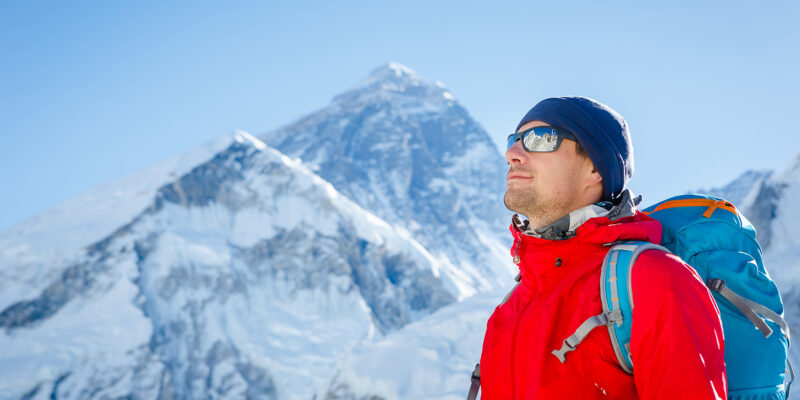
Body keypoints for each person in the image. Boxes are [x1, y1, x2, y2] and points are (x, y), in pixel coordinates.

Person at [477, 97, 727, 399]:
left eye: (540, 139)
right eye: (513, 140)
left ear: (595, 168)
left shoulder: (654, 281)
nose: (512, 153)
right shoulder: (509, 311)